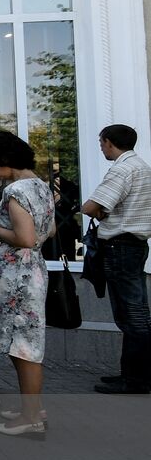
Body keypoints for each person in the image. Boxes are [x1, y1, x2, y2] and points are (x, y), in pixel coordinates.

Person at [0, 131, 55, 437]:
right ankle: (31, 409)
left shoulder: (16, 191)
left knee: (24, 348)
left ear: (7, 160)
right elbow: (44, 234)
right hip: (33, 270)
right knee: (27, 344)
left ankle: (31, 418)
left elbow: (25, 238)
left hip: (16, 275)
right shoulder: (40, 186)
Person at [82, 124, 151, 395]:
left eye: (101, 143)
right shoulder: (142, 166)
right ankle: (133, 374)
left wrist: (97, 212)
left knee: (131, 314)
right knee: (135, 312)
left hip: (120, 246)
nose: (100, 148)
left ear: (109, 142)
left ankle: (135, 379)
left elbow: (91, 206)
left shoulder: (122, 170)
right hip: (135, 245)